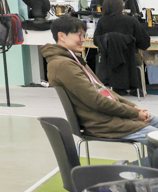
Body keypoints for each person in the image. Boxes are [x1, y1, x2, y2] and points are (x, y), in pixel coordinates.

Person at [43, 16, 155, 157]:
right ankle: (141, 168)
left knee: (154, 121)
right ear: (61, 36)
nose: (83, 39)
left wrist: (133, 107)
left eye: (84, 35)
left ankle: (147, 167)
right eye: (79, 35)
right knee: (155, 137)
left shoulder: (72, 59)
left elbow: (104, 91)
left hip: (109, 116)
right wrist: (134, 113)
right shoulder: (63, 64)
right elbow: (97, 101)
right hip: (102, 122)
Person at [93, 0, 151, 94]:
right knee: (137, 57)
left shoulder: (102, 21)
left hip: (108, 59)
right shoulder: (132, 21)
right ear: (122, 6)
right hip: (131, 59)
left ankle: (117, 88)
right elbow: (144, 42)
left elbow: (96, 41)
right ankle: (135, 88)